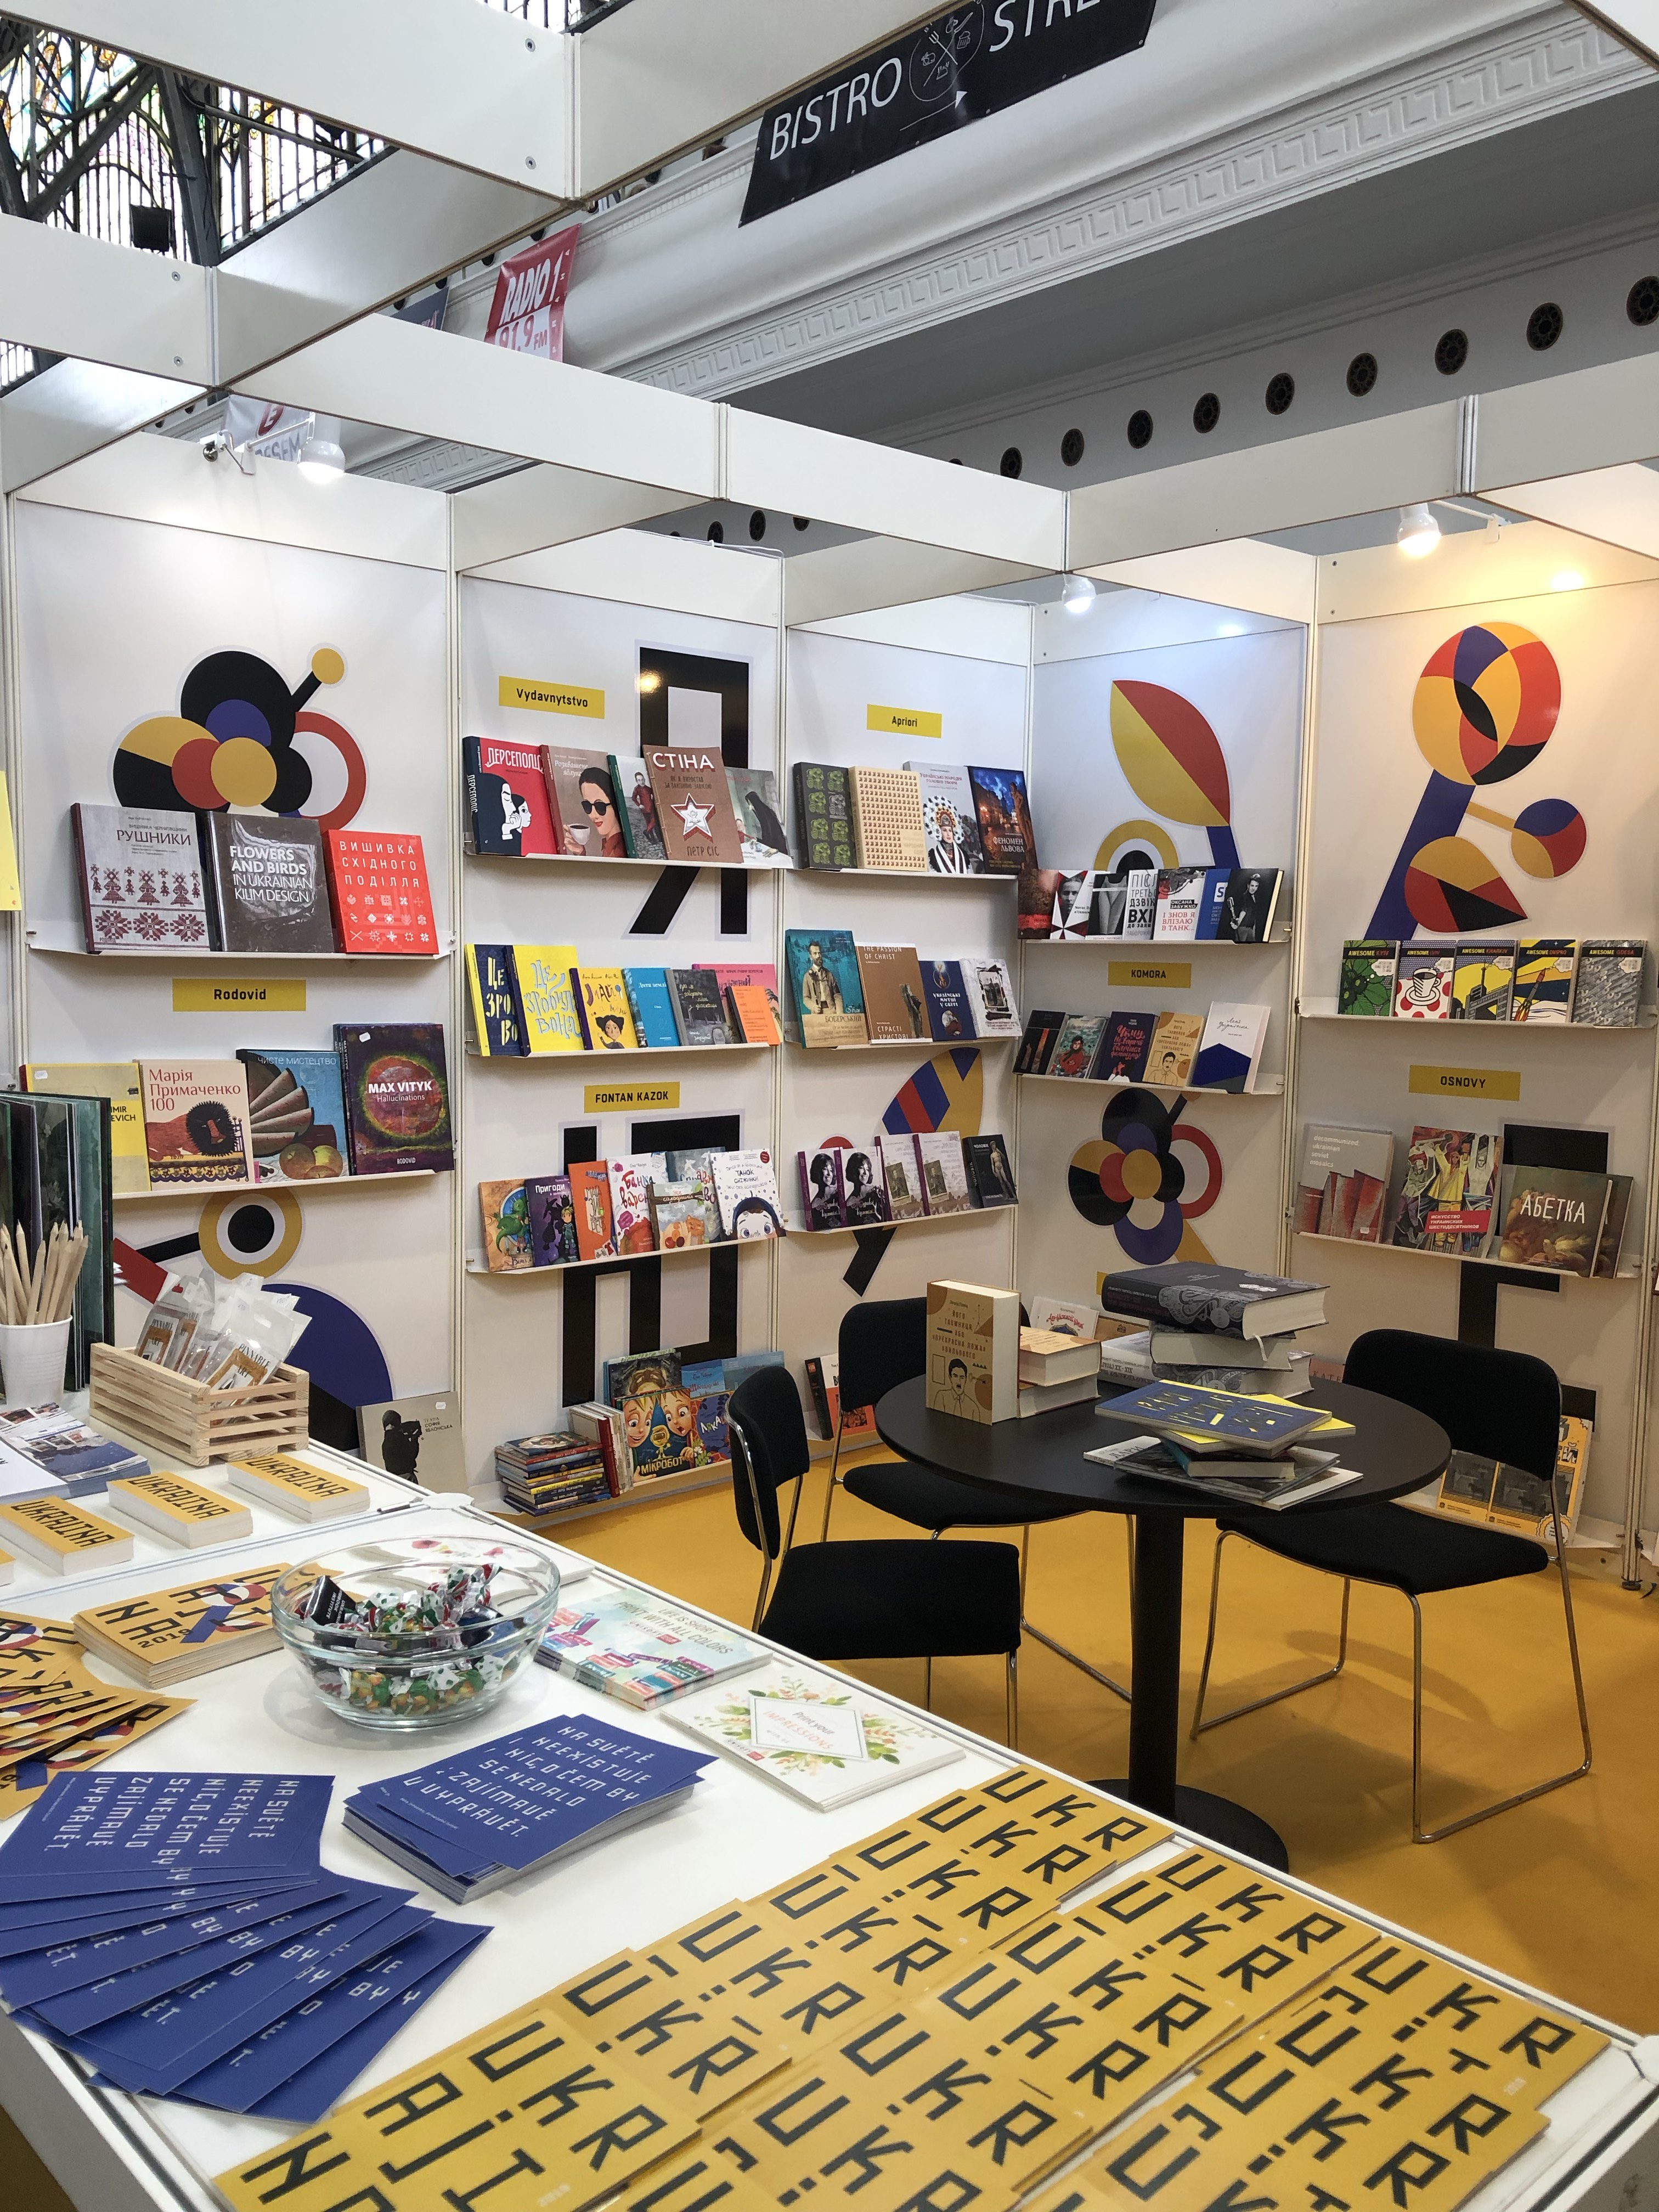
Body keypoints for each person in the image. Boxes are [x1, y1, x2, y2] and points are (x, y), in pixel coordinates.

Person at [567, 765, 627, 857]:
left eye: (600, 806)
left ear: (614, 804)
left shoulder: (618, 851)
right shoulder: (609, 845)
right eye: (587, 806)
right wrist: (580, 853)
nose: (593, 815)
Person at [799, 940, 843, 1015]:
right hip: (816, 1014)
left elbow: (837, 995)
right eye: (815, 954)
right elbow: (806, 998)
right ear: (811, 957)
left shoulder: (829, 974)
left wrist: (839, 1013)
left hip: (831, 1012)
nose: (818, 956)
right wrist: (813, 1007)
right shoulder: (807, 976)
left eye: (819, 953)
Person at [380, 1408, 422, 1479]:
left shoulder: (385, 1443)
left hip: (394, 1478)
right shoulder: (398, 1437)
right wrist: (414, 1438)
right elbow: (412, 1454)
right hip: (407, 1477)